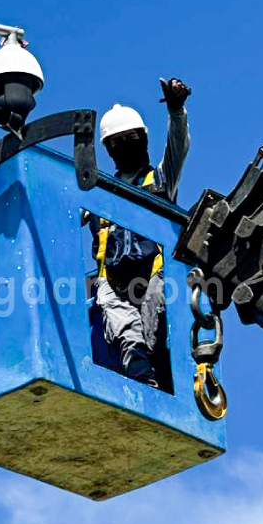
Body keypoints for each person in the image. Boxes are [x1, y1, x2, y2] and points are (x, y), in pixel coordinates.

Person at [89, 78, 192, 387]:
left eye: (131, 137)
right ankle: (139, 375)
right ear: (108, 149)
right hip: (114, 282)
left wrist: (176, 110)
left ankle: (156, 371)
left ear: (144, 138)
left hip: (155, 275)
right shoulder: (98, 195)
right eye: (116, 141)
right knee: (117, 317)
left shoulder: (160, 180)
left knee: (153, 321)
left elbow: (178, 147)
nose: (125, 145)